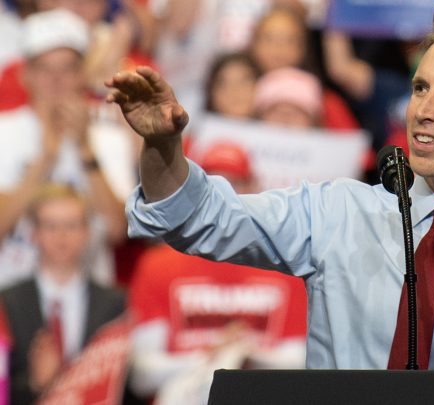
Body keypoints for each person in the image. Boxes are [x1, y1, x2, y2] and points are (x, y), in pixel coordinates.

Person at [107, 8, 434, 404]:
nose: (423, 110)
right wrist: (162, 147)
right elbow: (198, 218)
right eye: (420, 87)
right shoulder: (336, 213)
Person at [128, 143, 307, 404]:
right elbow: (142, 374)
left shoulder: (288, 267)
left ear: (254, 187)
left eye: (236, 183)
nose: (225, 195)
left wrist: (248, 355)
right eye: (213, 184)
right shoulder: (158, 265)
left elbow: (303, 363)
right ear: (194, 192)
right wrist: (211, 356)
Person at [0, 8, 134, 288]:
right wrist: (45, 158)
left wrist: (85, 148)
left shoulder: (109, 137)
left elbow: (117, 230)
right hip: (11, 293)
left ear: (82, 74)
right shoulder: (5, 131)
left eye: (67, 68)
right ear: (25, 74)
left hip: (89, 294)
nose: (56, 79)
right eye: (45, 68)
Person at [0, 184, 126, 404]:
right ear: (33, 233)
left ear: (87, 232)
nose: (61, 236)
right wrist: (34, 383)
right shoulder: (7, 303)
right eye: (51, 226)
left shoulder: (116, 304)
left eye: (71, 225)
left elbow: (128, 384)